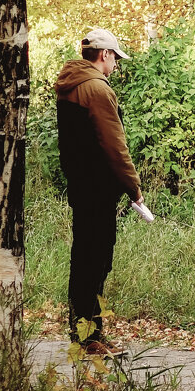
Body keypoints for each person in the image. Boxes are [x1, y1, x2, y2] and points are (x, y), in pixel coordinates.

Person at [54, 27, 142, 354]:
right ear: (104, 55)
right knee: (97, 262)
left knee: (83, 262)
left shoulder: (69, 85)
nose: (116, 64)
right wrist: (134, 189)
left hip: (80, 186)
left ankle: (82, 334)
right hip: (99, 191)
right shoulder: (97, 90)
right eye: (115, 57)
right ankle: (92, 338)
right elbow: (115, 146)